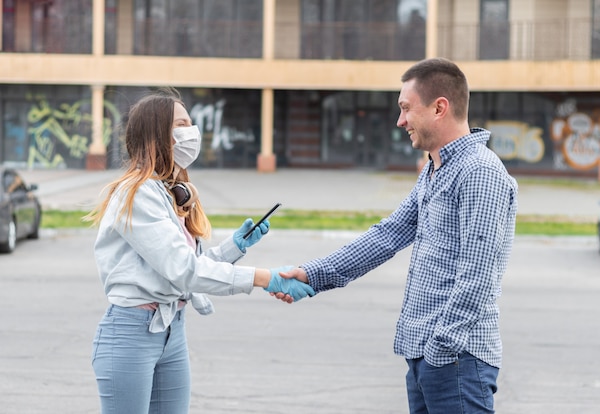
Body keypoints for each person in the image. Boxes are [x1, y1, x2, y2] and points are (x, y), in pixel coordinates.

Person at [274, 58, 518, 414]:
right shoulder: (437, 170)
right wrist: (313, 274)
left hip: (456, 361)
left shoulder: (479, 172)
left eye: (406, 108)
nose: (400, 121)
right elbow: (388, 234)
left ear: (439, 108)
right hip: (427, 358)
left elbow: (478, 275)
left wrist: (442, 347)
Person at [85, 87, 313, 414]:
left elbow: (186, 268)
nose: (192, 132)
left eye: (190, 122)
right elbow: (185, 271)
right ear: (156, 134)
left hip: (172, 330)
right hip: (130, 334)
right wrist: (266, 278)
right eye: (181, 124)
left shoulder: (168, 191)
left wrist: (235, 247)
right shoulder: (136, 195)